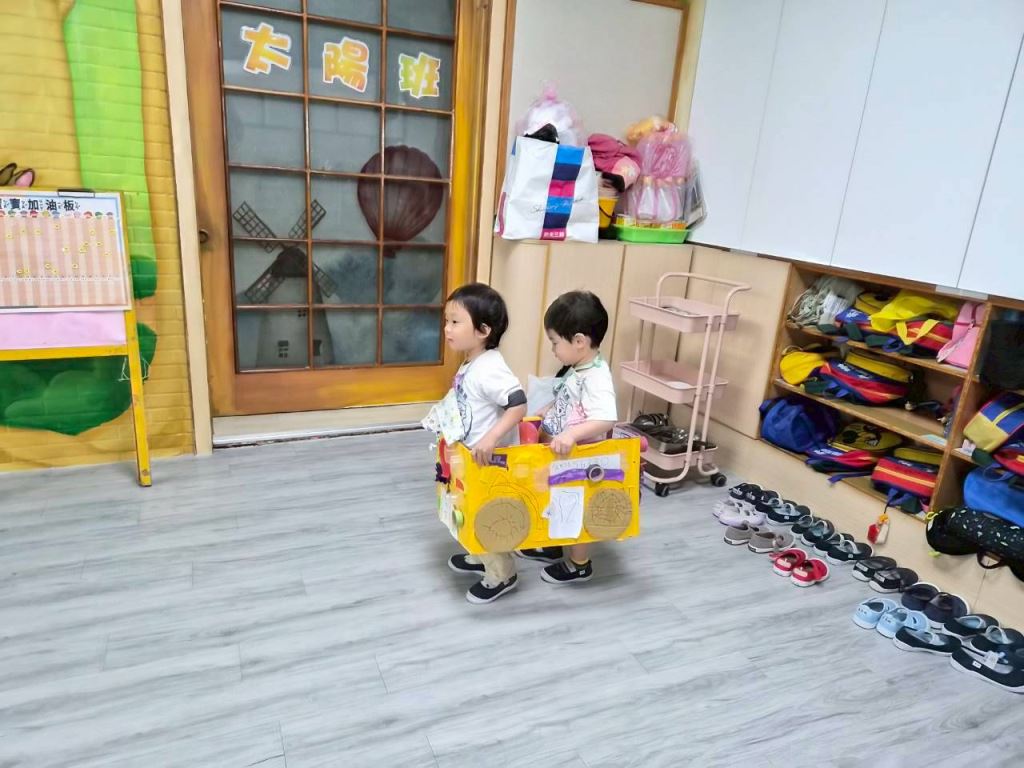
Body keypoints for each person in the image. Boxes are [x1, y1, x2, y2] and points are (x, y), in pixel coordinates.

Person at [517, 291, 617, 584]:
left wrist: (572, 434)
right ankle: (554, 545)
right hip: (562, 456)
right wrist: (550, 408)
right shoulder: (579, 369)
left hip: (580, 461)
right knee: (557, 500)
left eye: (554, 342)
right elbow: (571, 399)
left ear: (579, 341)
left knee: (576, 506)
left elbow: (606, 417)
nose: (553, 350)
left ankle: (579, 564)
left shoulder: (597, 377)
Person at [439, 283, 527, 604]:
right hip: (471, 459)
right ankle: (480, 556)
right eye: (447, 321)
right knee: (467, 508)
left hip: (491, 462)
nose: (447, 328)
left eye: (455, 322)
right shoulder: (472, 361)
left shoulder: (490, 368)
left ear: (483, 331)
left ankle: (502, 574)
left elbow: (518, 403)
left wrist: (491, 438)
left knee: (486, 516)